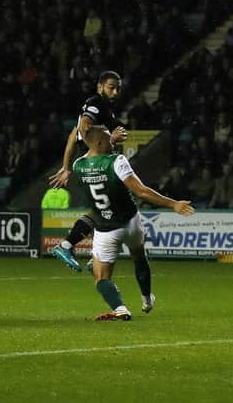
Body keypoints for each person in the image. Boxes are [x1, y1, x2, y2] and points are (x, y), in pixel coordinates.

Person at [73, 125, 194, 320]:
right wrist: (173, 204)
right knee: (139, 257)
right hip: (131, 222)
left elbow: (89, 148)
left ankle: (120, 308)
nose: (112, 142)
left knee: (101, 279)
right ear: (98, 142)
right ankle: (147, 299)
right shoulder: (117, 161)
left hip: (106, 229)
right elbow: (141, 191)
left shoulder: (78, 166)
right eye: (108, 139)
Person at [49, 71, 128, 271]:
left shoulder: (104, 108)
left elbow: (73, 135)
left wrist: (67, 167)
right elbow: (83, 129)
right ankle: (94, 253)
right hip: (95, 162)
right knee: (121, 208)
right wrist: (111, 139)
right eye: (111, 87)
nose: (115, 91)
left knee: (104, 209)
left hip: (92, 161)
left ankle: (75, 248)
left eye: (118, 88)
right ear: (100, 86)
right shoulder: (96, 103)